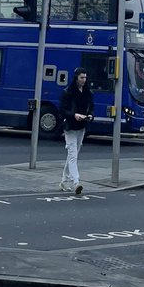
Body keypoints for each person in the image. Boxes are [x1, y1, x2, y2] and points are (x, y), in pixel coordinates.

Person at [58, 67, 94, 195]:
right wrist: (74, 115)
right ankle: (76, 182)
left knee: (73, 155)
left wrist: (90, 115)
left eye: (85, 77)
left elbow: (91, 106)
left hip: (82, 126)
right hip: (70, 126)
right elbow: (62, 110)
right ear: (76, 78)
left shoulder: (87, 91)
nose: (84, 80)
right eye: (81, 78)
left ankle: (64, 181)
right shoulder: (68, 92)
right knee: (73, 155)